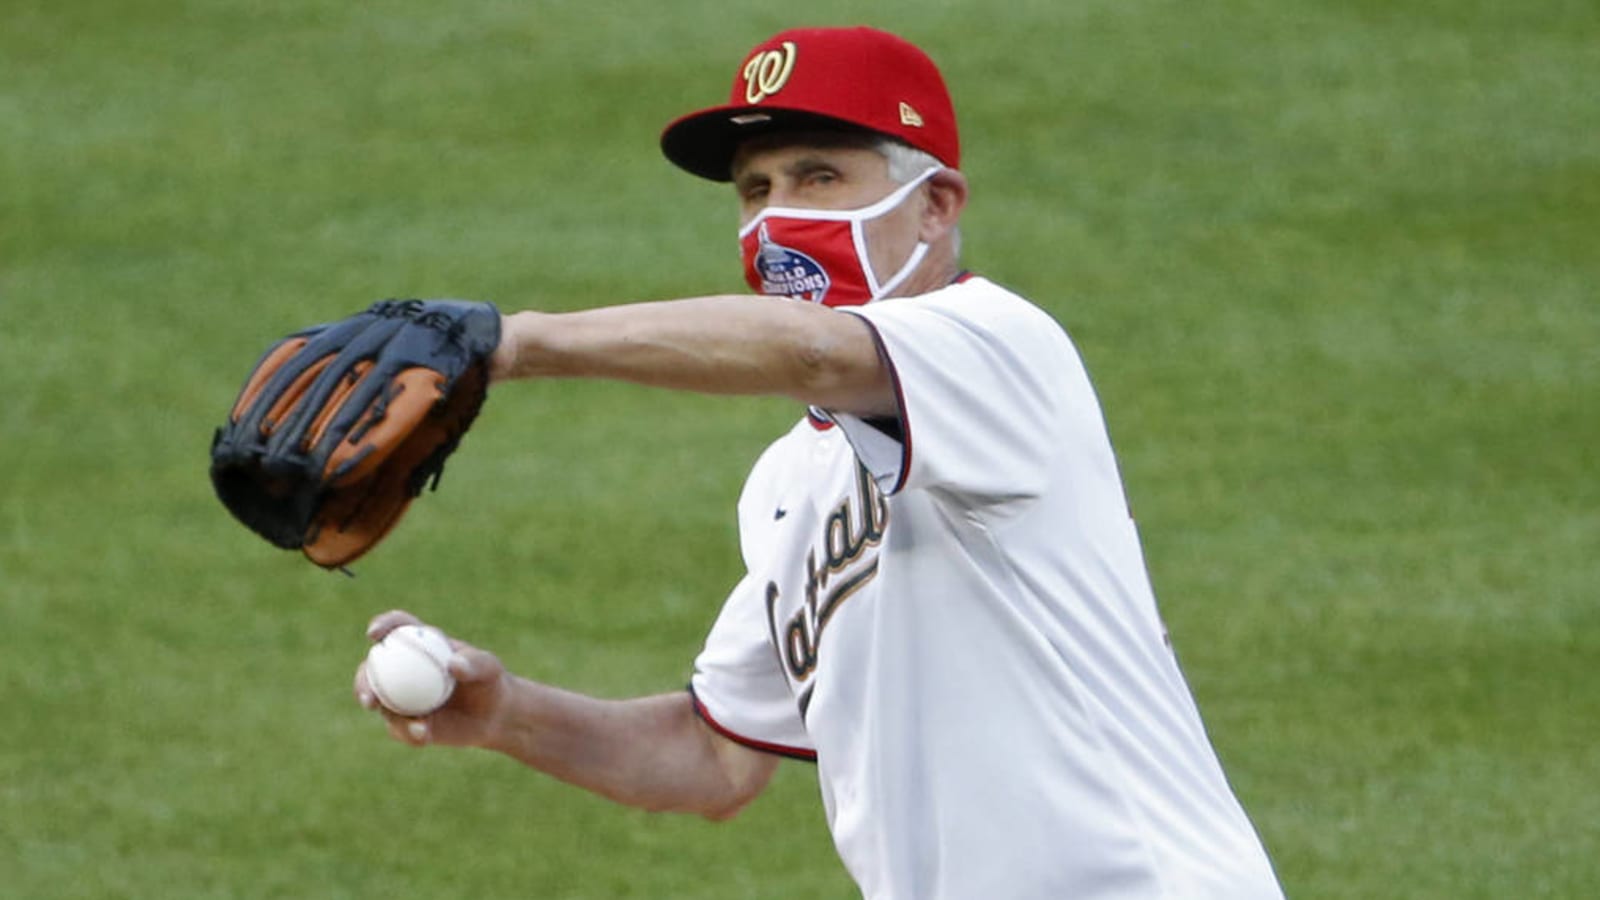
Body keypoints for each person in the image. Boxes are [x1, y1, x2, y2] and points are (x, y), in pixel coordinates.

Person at [354, 26, 1285, 899]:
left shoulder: (997, 344)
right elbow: (713, 758)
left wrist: (512, 344)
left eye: (819, 175)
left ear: (935, 205)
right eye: (755, 190)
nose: (778, 215)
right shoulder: (788, 485)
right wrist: (507, 712)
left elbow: (810, 350)